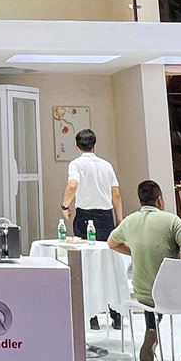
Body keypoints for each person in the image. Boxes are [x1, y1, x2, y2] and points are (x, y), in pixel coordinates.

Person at [108, 180, 181, 361]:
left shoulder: (129, 221)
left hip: (143, 295)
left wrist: (133, 251)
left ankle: (151, 331)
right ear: (159, 200)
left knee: (153, 294)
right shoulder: (172, 221)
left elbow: (111, 243)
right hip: (171, 294)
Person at [63, 128, 123, 330]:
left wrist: (65, 206)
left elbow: (72, 186)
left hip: (84, 217)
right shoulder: (106, 165)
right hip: (106, 217)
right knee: (109, 264)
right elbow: (116, 195)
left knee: (87, 265)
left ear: (77, 146)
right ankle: (116, 314)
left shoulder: (76, 164)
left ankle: (92, 316)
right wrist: (119, 219)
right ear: (94, 146)